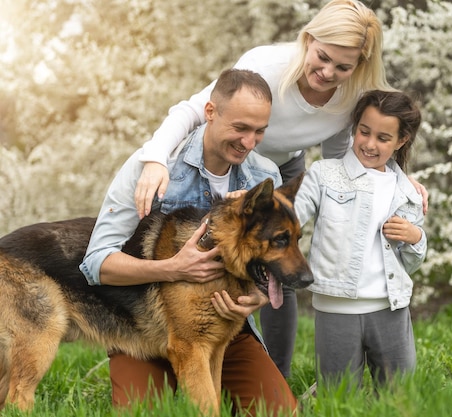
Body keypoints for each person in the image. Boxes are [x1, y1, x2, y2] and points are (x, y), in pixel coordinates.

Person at [131, 0, 429, 379]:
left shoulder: (353, 94)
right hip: (226, 155)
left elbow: (343, 162)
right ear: (308, 39)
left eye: (343, 66)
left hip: (277, 169)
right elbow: (193, 110)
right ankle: (171, 339)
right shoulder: (266, 65)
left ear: (358, 65)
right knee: (205, 256)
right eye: (322, 57)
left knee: (279, 263)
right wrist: (156, 157)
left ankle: (276, 375)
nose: (327, 72)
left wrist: (396, 178)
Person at [79, 68, 297, 416]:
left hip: (227, 329)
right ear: (210, 112)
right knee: (141, 412)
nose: (249, 142)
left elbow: (268, 256)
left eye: (259, 131)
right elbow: (95, 264)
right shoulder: (152, 167)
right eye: (240, 128)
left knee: (280, 412)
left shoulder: (264, 175)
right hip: (145, 333)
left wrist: (256, 296)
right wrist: (169, 268)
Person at [294, 90, 427, 389]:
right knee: (338, 395)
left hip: (390, 307)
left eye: (383, 138)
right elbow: (290, 217)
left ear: (400, 141)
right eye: (364, 132)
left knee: (398, 395)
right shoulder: (324, 175)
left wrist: (416, 237)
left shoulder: (407, 193)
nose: (369, 144)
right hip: (336, 307)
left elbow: (410, 262)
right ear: (354, 128)